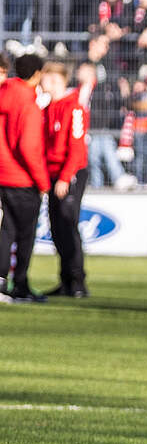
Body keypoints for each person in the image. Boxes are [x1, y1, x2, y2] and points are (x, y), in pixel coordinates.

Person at [0, 54, 51, 303]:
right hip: (23, 179)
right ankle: (20, 284)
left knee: (6, 231)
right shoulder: (28, 104)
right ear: (37, 74)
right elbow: (28, 148)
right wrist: (43, 182)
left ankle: (1, 284)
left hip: (3, 174)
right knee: (25, 236)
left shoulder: (5, 93)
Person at [41, 63, 89, 298]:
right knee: (57, 228)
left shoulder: (74, 107)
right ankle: (65, 280)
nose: (42, 83)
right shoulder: (49, 107)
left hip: (70, 174)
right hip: (53, 175)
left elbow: (77, 148)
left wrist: (65, 177)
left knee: (69, 225)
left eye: (46, 79)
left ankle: (78, 281)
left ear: (57, 80)